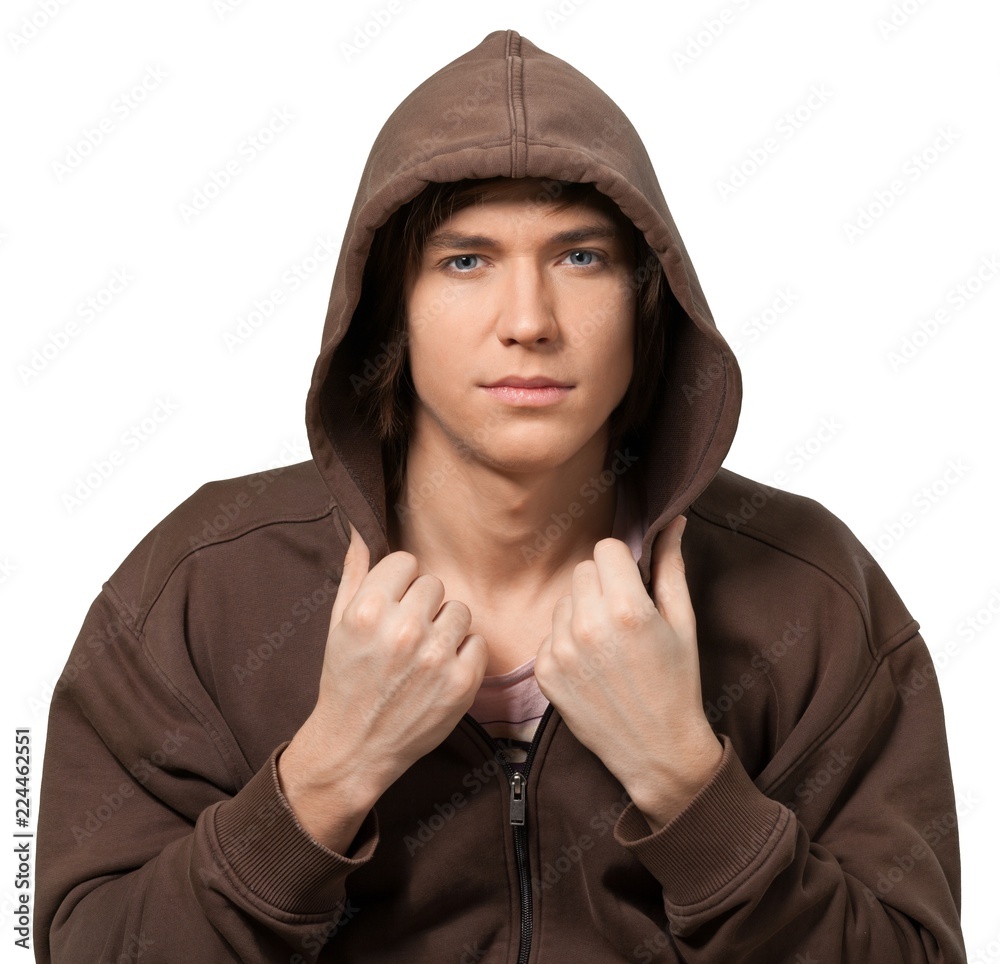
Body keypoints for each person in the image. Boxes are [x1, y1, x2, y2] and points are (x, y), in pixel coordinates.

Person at [35, 29, 966, 963]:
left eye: (581, 258)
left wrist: (687, 782)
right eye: (465, 261)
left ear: (651, 299)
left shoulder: (804, 590)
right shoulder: (205, 586)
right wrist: (325, 777)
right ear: (387, 305)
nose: (528, 322)